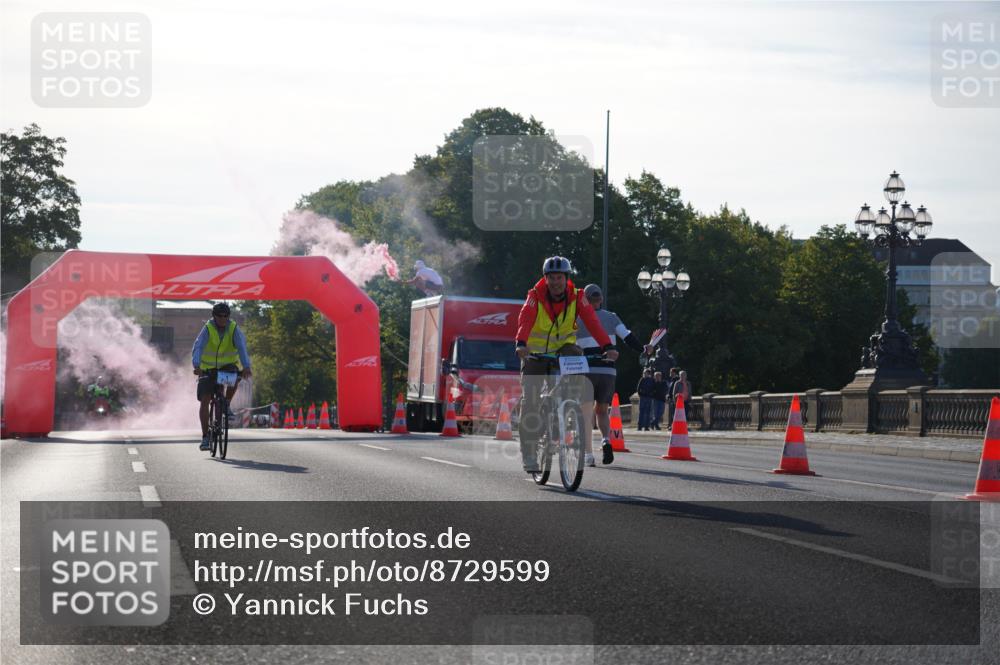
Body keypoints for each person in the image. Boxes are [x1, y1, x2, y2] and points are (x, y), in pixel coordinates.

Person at [514, 256, 617, 473]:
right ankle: (530, 454)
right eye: (551, 278)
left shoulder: (578, 297)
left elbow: (592, 321)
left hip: (564, 348)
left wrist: (607, 346)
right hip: (535, 352)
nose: (555, 282)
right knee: (530, 401)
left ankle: (567, 406)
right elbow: (525, 318)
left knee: (576, 360)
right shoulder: (535, 296)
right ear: (546, 278)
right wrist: (521, 343)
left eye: (559, 277)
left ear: (566, 278)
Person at [576, 284, 653, 466]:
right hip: (608, 371)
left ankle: (588, 455)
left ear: (585, 300)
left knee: (586, 414)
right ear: (601, 299)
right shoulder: (612, 318)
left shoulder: (577, 319)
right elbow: (627, 337)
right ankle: (606, 441)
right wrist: (643, 348)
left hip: (586, 370)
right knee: (602, 411)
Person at [192, 302, 252, 450]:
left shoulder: (233, 329)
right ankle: (205, 437)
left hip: (226, 365)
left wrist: (246, 366)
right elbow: (198, 347)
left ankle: (226, 404)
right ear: (214, 316)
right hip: (207, 368)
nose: (223, 319)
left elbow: (242, 347)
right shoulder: (208, 328)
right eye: (220, 316)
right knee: (205, 400)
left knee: (235, 377)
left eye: (226, 316)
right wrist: (197, 366)